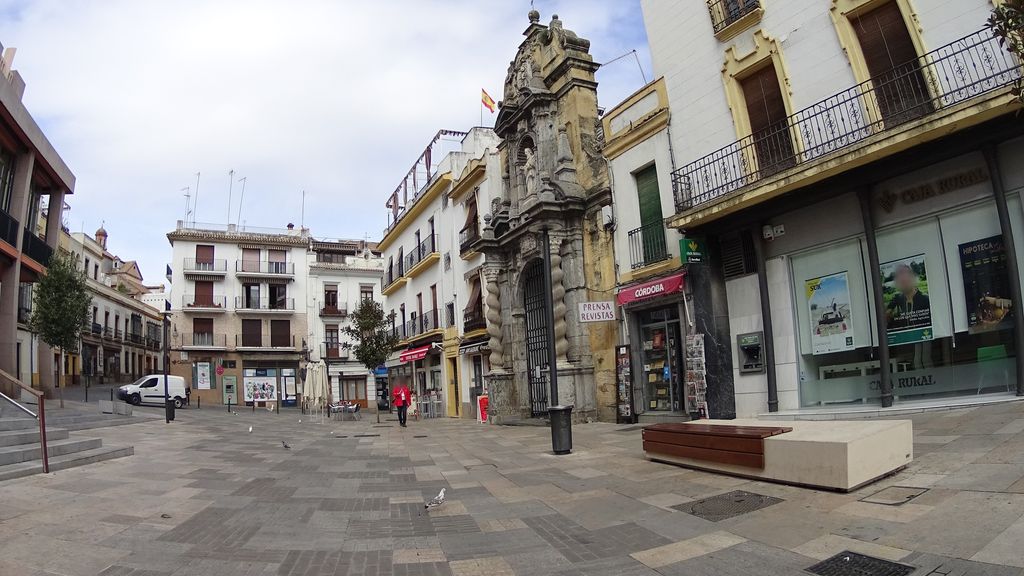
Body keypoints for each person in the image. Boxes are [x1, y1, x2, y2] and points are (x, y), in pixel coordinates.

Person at [886, 263, 930, 329]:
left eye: (907, 276)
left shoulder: (926, 299)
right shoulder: (897, 297)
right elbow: (887, 314)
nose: (904, 278)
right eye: (901, 279)